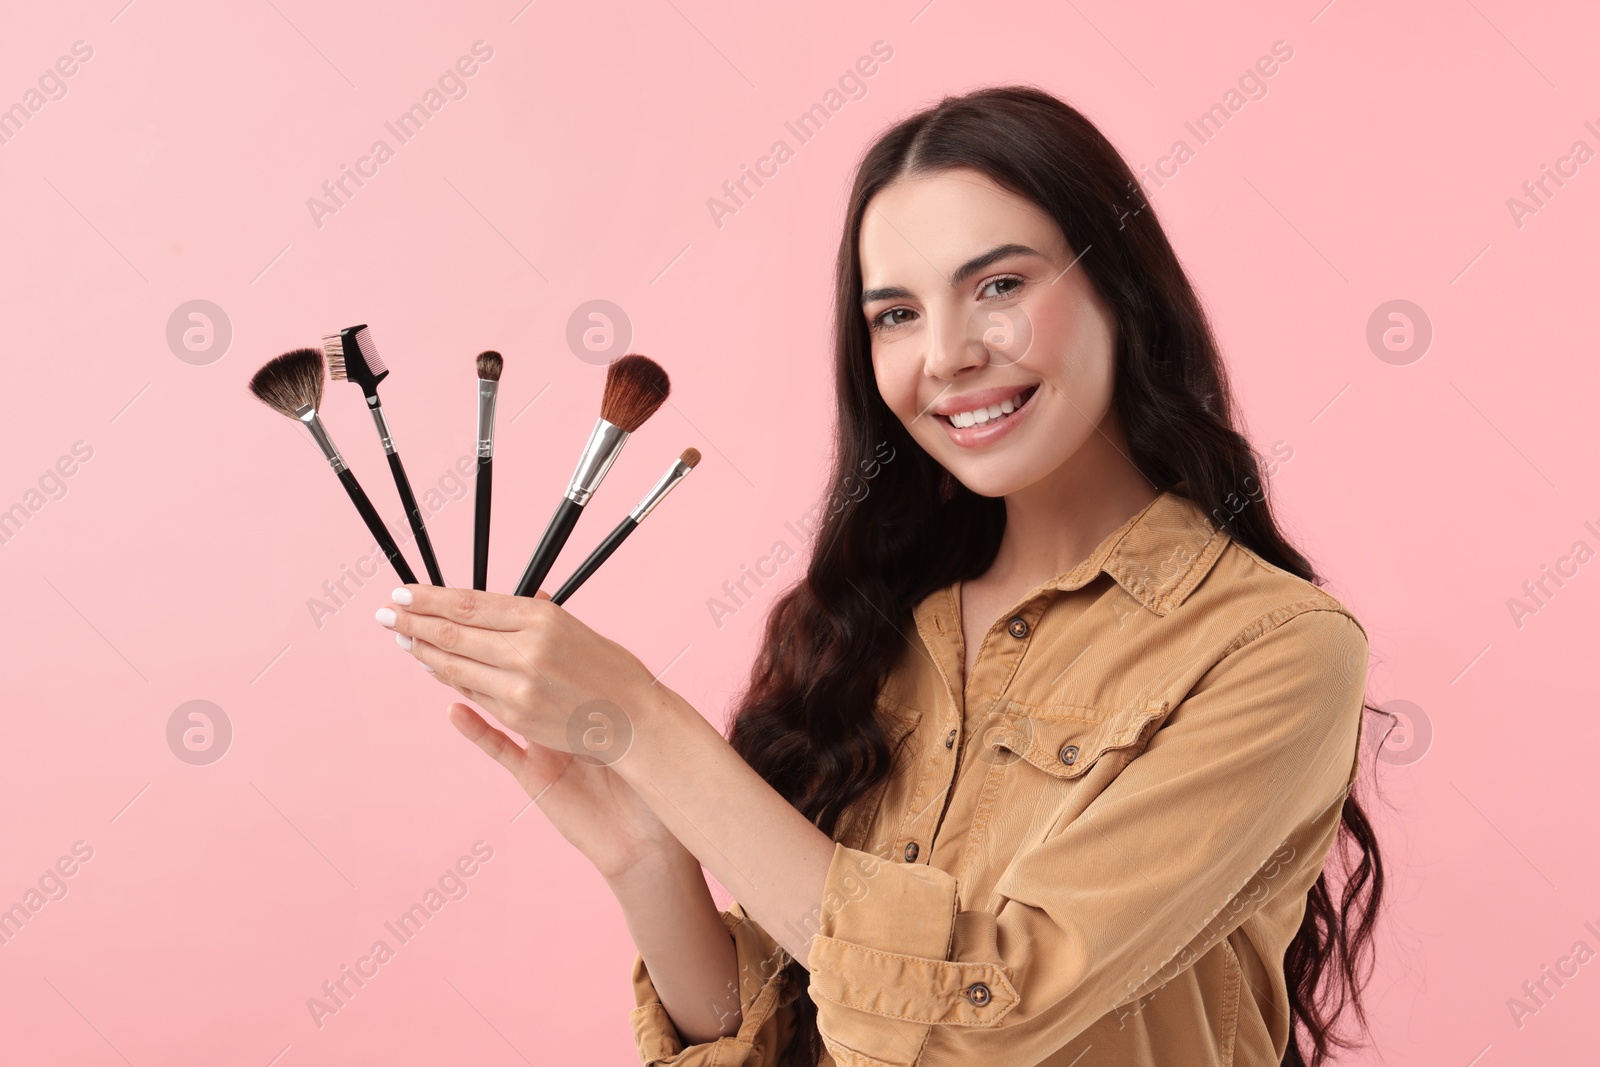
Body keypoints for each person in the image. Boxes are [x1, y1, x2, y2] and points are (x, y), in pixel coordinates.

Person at [376, 85, 1387, 1067]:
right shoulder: (859, 627)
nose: (945, 353)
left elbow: (987, 1016)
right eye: (895, 313)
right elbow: (794, 1025)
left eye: (998, 286)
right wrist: (647, 855)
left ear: (1120, 291)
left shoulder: (1274, 649)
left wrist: (649, 721)